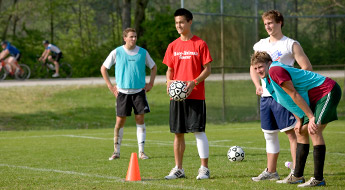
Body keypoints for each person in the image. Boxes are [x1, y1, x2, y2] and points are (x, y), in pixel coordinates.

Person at [251, 51, 341, 187]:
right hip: (313, 98)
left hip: (326, 90)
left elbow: (294, 94)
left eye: (261, 67)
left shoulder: (275, 71)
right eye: (255, 68)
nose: (258, 70)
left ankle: (318, 179)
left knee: (314, 130)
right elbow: (287, 100)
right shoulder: (267, 80)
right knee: (300, 132)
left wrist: (310, 117)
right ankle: (297, 176)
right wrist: (299, 120)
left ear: (269, 63)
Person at [249, 10, 313, 182]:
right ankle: (271, 171)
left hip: (284, 97)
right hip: (266, 97)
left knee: (292, 133)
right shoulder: (260, 45)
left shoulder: (290, 44)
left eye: (270, 23)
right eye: (265, 24)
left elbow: (306, 67)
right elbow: (253, 67)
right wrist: (257, 85)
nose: (268, 26)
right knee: (269, 134)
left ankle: (296, 172)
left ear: (280, 22)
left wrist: (293, 85)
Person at [163, 8, 213, 180]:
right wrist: (169, 82)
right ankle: (178, 169)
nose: (179, 25)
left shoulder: (200, 44)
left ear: (190, 22)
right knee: (178, 133)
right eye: (176, 23)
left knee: (198, 131)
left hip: (196, 94)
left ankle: (204, 169)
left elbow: (208, 69)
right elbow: (169, 70)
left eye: (182, 22)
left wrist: (194, 82)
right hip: (176, 97)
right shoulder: (172, 46)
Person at [100, 28, 157, 160]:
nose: (134, 39)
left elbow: (153, 67)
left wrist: (151, 83)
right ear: (124, 38)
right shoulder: (117, 52)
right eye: (131, 36)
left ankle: (142, 152)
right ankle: (116, 152)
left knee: (140, 120)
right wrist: (111, 86)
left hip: (139, 93)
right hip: (122, 93)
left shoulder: (143, 52)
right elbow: (103, 68)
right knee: (120, 121)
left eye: (135, 36)